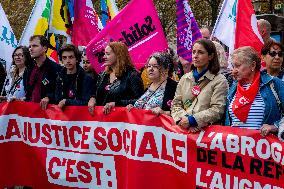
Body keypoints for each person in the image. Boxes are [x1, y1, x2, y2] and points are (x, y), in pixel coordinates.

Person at [224, 46, 284, 136]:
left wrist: (274, 126)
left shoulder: (274, 84)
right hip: (235, 147)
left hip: (264, 147)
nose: (234, 70)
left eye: (238, 66)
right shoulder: (233, 87)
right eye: (233, 66)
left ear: (253, 65)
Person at [171, 39, 228, 132]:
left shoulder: (220, 80)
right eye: (194, 52)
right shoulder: (184, 78)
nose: (195, 56)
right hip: (184, 131)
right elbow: (176, 104)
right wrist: (185, 120)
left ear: (211, 56)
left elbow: (217, 110)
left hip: (206, 134)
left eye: (200, 52)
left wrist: (194, 120)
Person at [88, 41, 144, 115]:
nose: (104, 57)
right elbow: (95, 92)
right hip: (101, 122)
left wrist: (116, 103)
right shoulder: (103, 75)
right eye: (104, 54)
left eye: (107, 54)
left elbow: (140, 101)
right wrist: (92, 98)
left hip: (122, 122)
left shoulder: (132, 75)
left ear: (118, 55)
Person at [23, 35, 61, 109]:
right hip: (29, 113)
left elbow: (60, 91)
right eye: (30, 46)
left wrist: (49, 97)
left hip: (47, 115)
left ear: (45, 48)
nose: (30, 49)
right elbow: (28, 93)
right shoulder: (28, 69)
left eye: (34, 46)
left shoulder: (56, 69)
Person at [55, 44, 94, 109]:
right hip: (62, 117)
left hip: (79, 117)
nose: (68, 61)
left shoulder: (86, 78)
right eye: (64, 58)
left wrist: (67, 101)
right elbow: (56, 100)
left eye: (71, 57)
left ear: (77, 59)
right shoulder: (59, 77)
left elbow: (86, 102)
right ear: (61, 60)